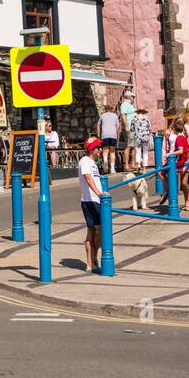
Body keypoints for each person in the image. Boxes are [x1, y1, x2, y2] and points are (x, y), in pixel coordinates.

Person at [79, 138, 105, 273]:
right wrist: (99, 193)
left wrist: (100, 194)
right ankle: (92, 261)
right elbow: (88, 178)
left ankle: (91, 262)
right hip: (90, 201)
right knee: (97, 230)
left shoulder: (93, 163)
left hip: (96, 200)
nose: (100, 150)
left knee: (95, 231)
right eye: (98, 148)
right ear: (92, 149)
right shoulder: (85, 161)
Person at [97, 105, 120, 174]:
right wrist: (115, 131)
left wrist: (98, 135)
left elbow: (98, 125)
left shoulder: (102, 116)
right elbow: (118, 125)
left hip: (105, 135)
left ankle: (105, 161)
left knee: (105, 151)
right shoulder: (115, 116)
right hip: (113, 135)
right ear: (111, 109)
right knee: (112, 152)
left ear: (105, 109)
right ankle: (112, 169)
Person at [119, 90, 137, 169]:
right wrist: (126, 126)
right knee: (128, 146)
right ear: (129, 97)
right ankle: (126, 164)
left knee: (133, 146)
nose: (134, 98)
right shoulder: (124, 104)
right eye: (133, 97)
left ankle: (133, 163)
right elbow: (123, 115)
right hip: (129, 128)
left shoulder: (130, 105)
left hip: (133, 128)